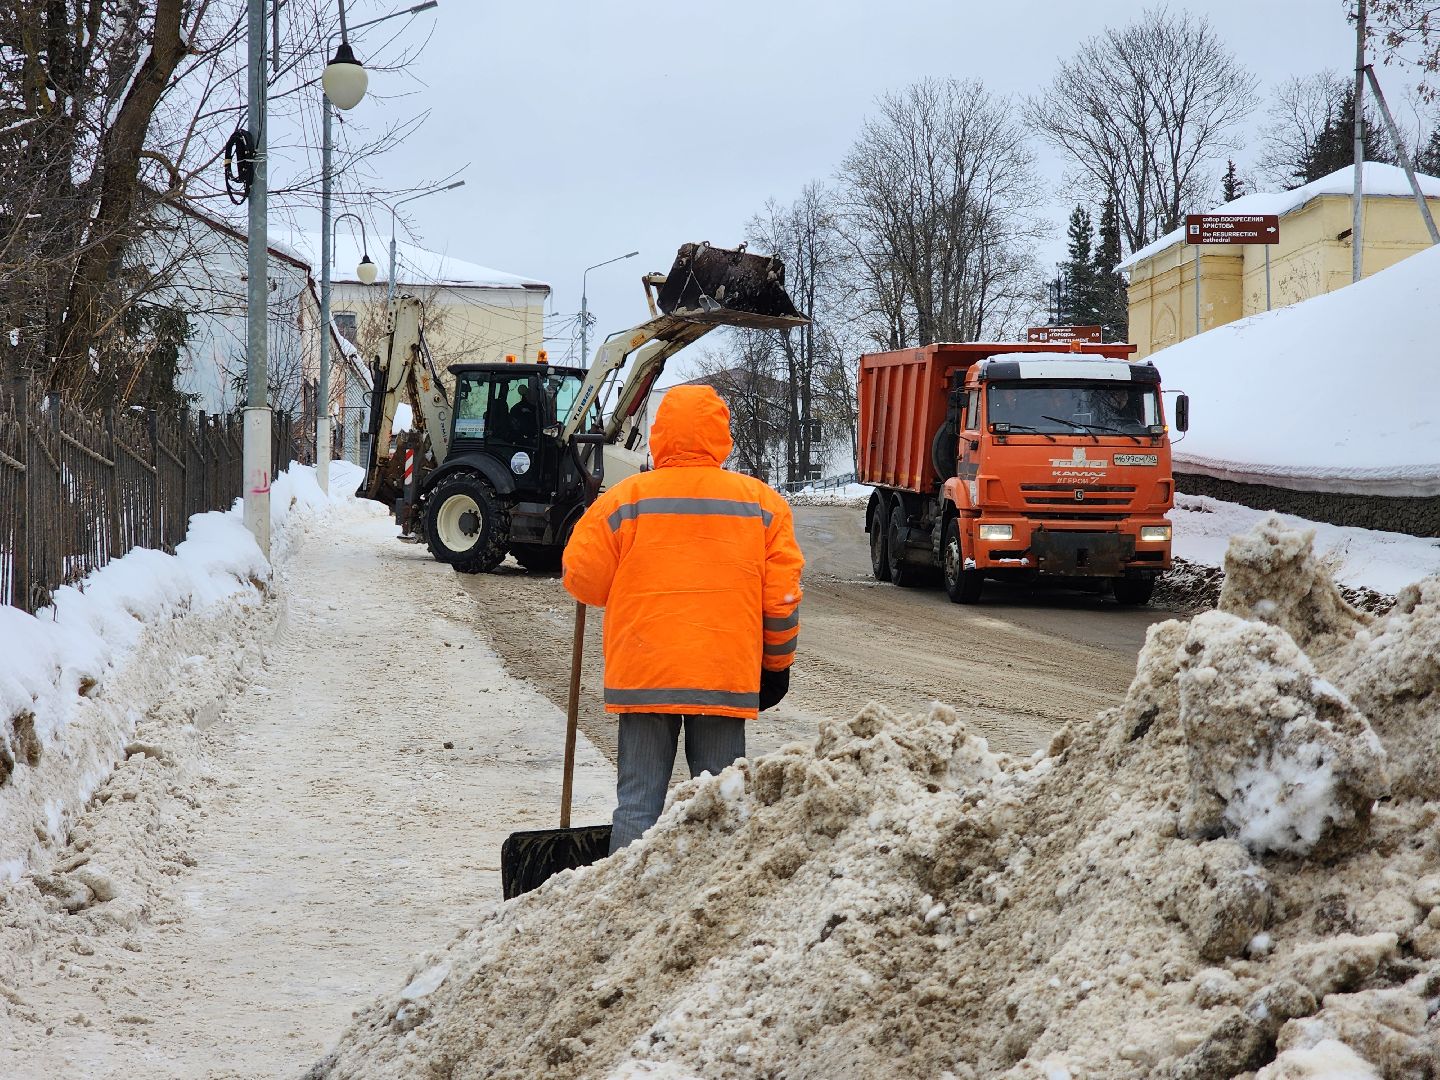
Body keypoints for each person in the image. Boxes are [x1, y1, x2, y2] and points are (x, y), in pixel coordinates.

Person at [563, 384, 804, 852]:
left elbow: (583, 581)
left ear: (659, 436)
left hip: (644, 674)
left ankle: (627, 894)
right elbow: (781, 599)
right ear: (722, 436)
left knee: (637, 805)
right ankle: (716, 893)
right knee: (722, 806)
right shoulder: (762, 504)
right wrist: (776, 664)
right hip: (723, 677)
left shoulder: (625, 500)